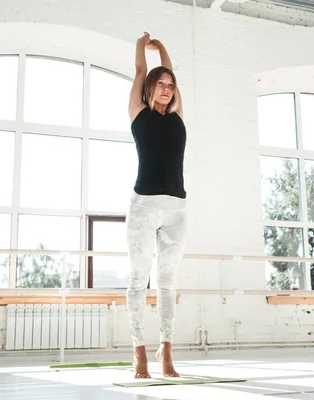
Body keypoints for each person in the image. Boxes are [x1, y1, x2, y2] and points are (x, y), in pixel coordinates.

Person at [126, 32, 187, 379]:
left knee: (168, 282)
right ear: (150, 89)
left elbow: (171, 69)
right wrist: (143, 44)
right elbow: (139, 71)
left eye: (170, 84)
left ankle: (166, 351)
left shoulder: (178, 114)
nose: (166, 88)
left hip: (177, 207)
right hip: (144, 205)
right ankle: (139, 353)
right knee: (139, 281)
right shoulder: (138, 113)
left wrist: (164, 48)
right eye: (160, 84)